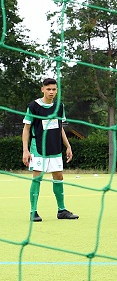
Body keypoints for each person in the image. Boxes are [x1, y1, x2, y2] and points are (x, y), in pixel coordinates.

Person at [21, 77, 78, 222]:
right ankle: (33, 212)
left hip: (55, 149)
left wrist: (68, 146)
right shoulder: (33, 106)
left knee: (58, 177)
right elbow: (26, 129)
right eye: (48, 89)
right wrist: (25, 150)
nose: (51, 92)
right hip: (38, 149)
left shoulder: (59, 106)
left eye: (54, 89)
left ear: (57, 90)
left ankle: (62, 210)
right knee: (37, 179)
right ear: (43, 89)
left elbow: (60, 129)